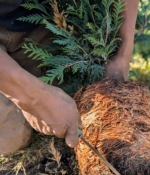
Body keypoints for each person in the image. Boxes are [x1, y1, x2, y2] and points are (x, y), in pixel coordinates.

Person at [0, 0, 139, 155]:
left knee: (79, 103)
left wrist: (123, 55)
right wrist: (34, 98)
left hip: (43, 15)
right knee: (10, 140)